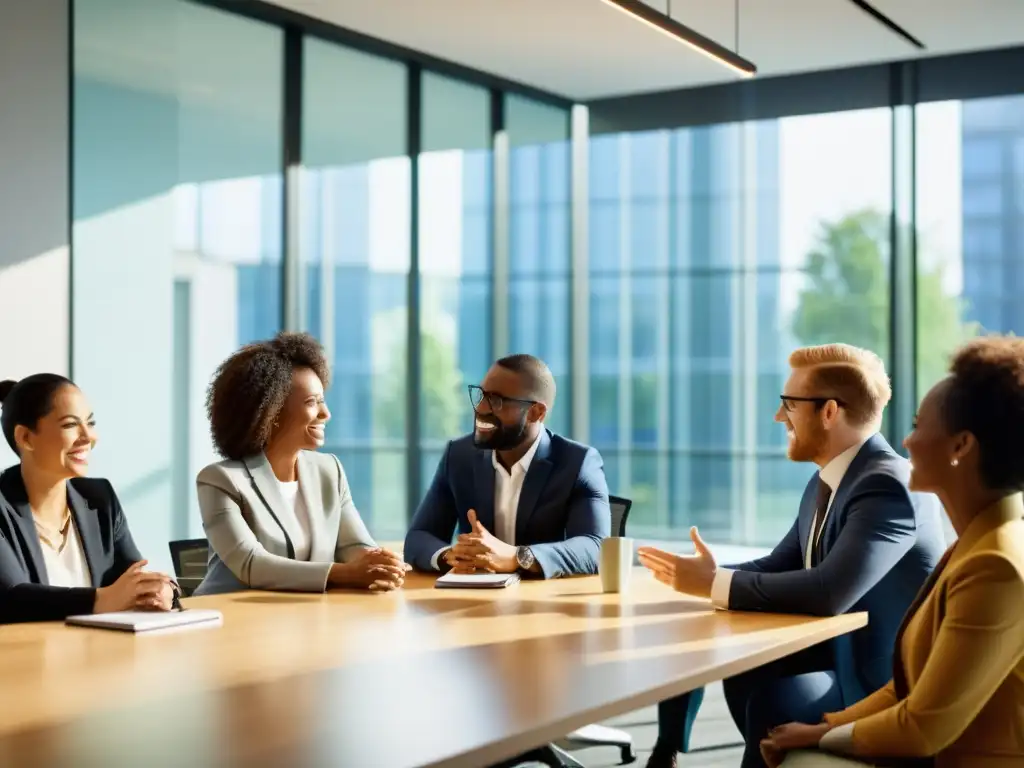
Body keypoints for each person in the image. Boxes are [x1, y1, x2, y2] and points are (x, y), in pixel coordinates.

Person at [638, 344, 946, 768]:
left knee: (772, 696)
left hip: (878, 685)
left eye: (788, 404)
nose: (778, 417)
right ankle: (670, 750)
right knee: (742, 666)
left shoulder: (887, 486)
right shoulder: (828, 481)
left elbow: (829, 591)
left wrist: (712, 583)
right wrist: (693, 580)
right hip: (832, 655)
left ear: (829, 412)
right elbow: (779, 563)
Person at [762, 336, 1024, 768]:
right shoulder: (975, 542)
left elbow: (922, 727)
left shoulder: (995, 564)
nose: (906, 441)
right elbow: (910, 684)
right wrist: (823, 728)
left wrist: (822, 741)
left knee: (800, 760)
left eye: (920, 426)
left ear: (960, 447)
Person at [193, 332, 407, 596]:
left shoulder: (329, 470)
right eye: (311, 402)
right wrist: (347, 573)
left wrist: (379, 563)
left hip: (305, 617)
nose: (325, 413)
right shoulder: (220, 480)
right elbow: (252, 565)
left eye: (322, 400)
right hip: (230, 621)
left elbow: (355, 546)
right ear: (271, 413)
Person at [404, 354, 610, 579]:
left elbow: (595, 547)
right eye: (481, 395)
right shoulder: (459, 455)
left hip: (545, 603)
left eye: (496, 400)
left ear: (536, 413)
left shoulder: (578, 462)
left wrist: (518, 556)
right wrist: (450, 555)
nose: (481, 408)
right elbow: (419, 536)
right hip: (475, 600)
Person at [0, 374, 176, 623]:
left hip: (97, 655)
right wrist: (103, 599)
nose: (88, 437)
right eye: (70, 425)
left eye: (90, 423)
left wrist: (164, 591)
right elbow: (10, 598)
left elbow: (134, 577)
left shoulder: (99, 498)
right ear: (26, 438)